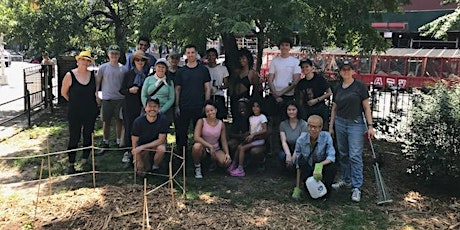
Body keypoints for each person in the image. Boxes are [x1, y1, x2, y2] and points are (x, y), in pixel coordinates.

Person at [329, 61, 375, 202]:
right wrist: (331, 126)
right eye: (343, 70)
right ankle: (346, 179)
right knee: (343, 153)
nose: (346, 72)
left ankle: (356, 187)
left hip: (355, 123)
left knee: (355, 155)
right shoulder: (338, 87)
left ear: (353, 71)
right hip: (340, 122)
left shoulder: (359, 86)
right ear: (340, 72)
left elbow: (366, 107)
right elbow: (334, 108)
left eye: (349, 69)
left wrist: (370, 125)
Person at [61, 51, 98, 174]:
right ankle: (71, 163)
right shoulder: (69, 75)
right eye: (83, 59)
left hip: (90, 111)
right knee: (74, 136)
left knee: (88, 135)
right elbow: (64, 93)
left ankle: (85, 160)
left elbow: (95, 92)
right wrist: (74, 102)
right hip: (75, 111)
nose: (85, 62)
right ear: (78, 61)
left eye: (87, 60)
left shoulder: (93, 75)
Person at [175, 44, 211, 155]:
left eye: (192, 52)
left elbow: (207, 88)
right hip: (184, 106)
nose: (190, 55)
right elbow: (177, 89)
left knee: (199, 134)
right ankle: (182, 157)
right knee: (181, 133)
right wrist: (177, 105)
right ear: (186, 54)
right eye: (188, 53)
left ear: (196, 54)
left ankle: (199, 158)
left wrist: (206, 104)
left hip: (199, 106)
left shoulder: (203, 70)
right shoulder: (181, 71)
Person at [292, 115, 336, 199]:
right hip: (308, 167)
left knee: (332, 168)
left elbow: (331, 156)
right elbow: (298, 164)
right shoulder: (301, 140)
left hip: (322, 166)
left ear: (320, 128)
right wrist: (297, 187)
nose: (312, 129)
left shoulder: (326, 137)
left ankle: (327, 190)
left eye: (315, 127)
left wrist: (319, 165)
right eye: (310, 126)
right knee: (309, 193)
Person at [95, 45, 128, 154]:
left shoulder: (123, 69)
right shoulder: (103, 68)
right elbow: (98, 82)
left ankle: (119, 142)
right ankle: (106, 142)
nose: (114, 55)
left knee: (119, 121)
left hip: (120, 99)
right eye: (112, 53)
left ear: (119, 55)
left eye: (116, 53)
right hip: (107, 98)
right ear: (108, 54)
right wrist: (97, 95)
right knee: (106, 121)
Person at [119, 50, 149, 166]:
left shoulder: (147, 75)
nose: (140, 62)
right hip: (129, 105)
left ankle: (139, 152)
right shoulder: (128, 74)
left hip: (141, 105)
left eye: (142, 60)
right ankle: (127, 152)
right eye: (137, 60)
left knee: (140, 129)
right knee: (129, 128)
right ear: (133, 61)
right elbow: (121, 90)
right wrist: (129, 90)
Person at [228, 99, 268, 177]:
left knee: (242, 148)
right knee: (239, 147)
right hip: (251, 139)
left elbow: (265, 130)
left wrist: (253, 135)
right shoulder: (251, 118)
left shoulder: (262, 117)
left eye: (257, 106)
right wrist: (248, 135)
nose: (255, 108)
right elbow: (251, 130)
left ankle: (240, 169)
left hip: (259, 140)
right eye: (254, 106)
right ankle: (234, 164)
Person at [192, 101, 232, 178]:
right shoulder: (201, 121)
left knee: (226, 162)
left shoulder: (221, 124)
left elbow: (223, 140)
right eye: (207, 111)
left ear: (216, 110)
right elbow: (196, 137)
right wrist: (209, 146)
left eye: (212, 110)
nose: (210, 113)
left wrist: (227, 153)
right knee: (196, 147)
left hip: (216, 148)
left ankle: (213, 164)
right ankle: (197, 168)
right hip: (204, 147)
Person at [131, 96, 169, 177]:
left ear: (159, 109)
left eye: (155, 106)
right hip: (141, 148)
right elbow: (134, 143)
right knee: (141, 172)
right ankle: (144, 165)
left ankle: (155, 167)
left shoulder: (163, 120)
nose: (152, 109)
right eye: (150, 106)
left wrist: (143, 147)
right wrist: (138, 159)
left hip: (155, 146)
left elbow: (161, 140)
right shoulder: (138, 122)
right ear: (145, 108)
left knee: (161, 149)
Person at [267, 38, 301, 120]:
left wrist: (281, 93)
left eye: (287, 45)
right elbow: (270, 78)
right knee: (273, 118)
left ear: (290, 47)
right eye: (282, 45)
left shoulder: (295, 62)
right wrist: (275, 94)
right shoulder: (275, 61)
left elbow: (295, 81)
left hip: (288, 95)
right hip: (274, 94)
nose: (284, 47)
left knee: (285, 118)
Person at [296, 59, 332, 129]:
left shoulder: (319, 79)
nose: (304, 69)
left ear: (312, 67)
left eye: (307, 66)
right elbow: (300, 98)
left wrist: (316, 100)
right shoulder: (301, 83)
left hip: (320, 109)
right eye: (303, 67)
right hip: (307, 110)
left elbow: (329, 92)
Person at [229, 48, 262, 118]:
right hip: (235, 97)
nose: (241, 60)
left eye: (244, 58)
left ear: (248, 59)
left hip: (245, 97)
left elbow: (256, 89)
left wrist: (252, 100)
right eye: (240, 59)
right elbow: (232, 84)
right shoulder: (236, 72)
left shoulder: (252, 73)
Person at [141, 58, 175, 123]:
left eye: (163, 67)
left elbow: (171, 98)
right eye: (159, 66)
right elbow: (143, 95)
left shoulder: (170, 82)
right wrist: (148, 108)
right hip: (149, 109)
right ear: (155, 68)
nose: (161, 69)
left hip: (164, 110)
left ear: (166, 69)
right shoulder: (148, 79)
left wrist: (161, 110)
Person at [278, 101, 308, 170]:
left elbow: (301, 141)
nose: (291, 112)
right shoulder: (283, 124)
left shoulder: (304, 124)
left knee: (300, 158)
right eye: (289, 110)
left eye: (293, 110)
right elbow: (283, 141)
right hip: (288, 147)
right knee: (282, 155)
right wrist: (288, 155)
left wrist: (294, 155)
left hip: (300, 148)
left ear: (298, 110)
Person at [206, 48, 229, 120]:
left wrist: (218, 87)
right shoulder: (205, 69)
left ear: (216, 57)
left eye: (213, 55)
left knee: (219, 117)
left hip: (219, 95)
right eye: (209, 55)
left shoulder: (223, 69)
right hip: (208, 96)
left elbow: (226, 84)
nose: (211, 57)